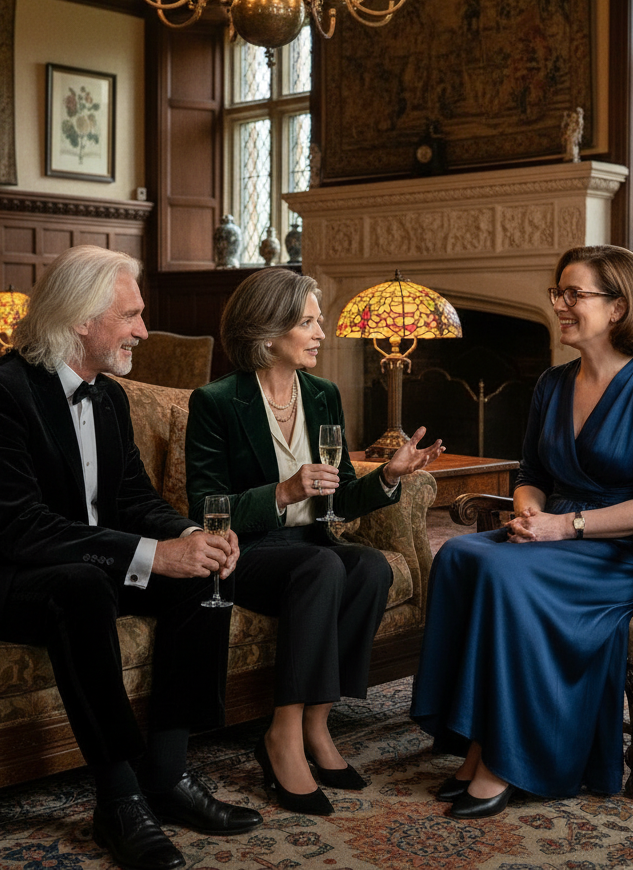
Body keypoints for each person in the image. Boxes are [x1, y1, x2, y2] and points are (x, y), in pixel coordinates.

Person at [0, 245, 262, 870]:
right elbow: (20, 528)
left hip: (81, 564)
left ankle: (168, 776)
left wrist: (189, 537)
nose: (143, 331)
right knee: (83, 585)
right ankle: (118, 800)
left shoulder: (109, 397)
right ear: (80, 319)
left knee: (201, 576)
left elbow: (133, 499)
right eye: (131, 316)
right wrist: (152, 554)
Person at [410, 244, 633, 818]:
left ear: (617, 307)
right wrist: (529, 515)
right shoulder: (552, 383)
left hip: (627, 549)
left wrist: (564, 526)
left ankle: (505, 760)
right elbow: (533, 475)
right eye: (557, 293)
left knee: (499, 570)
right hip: (554, 531)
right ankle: (477, 740)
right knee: (458, 557)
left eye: (574, 294)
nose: (560, 304)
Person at [185, 267, 444, 815]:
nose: (321, 333)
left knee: (371, 566)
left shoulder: (323, 395)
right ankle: (281, 733)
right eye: (308, 322)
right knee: (323, 567)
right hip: (248, 550)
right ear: (268, 330)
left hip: (310, 543)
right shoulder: (217, 401)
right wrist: (283, 491)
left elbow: (340, 497)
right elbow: (207, 509)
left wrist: (389, 476)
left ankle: (316, 722)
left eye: (318, 321)